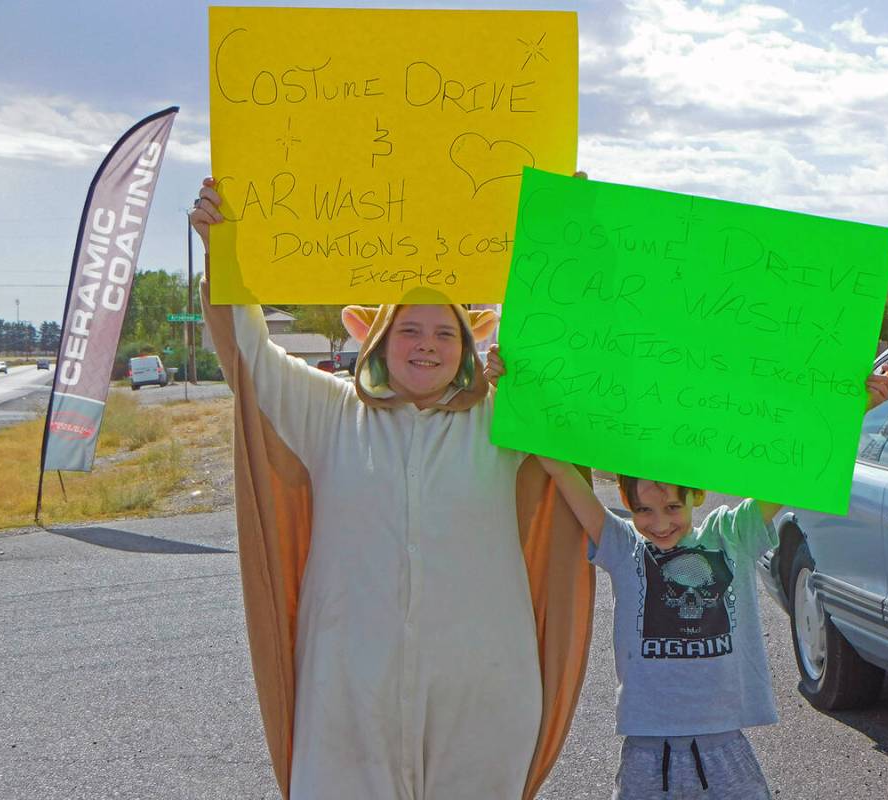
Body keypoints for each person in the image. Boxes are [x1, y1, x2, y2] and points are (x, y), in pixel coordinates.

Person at [189, 177, 595, 800]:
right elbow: (251, 353)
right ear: (376, 337)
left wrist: (565, 237)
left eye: (444, 333)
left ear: (468, 345)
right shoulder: (327, 413)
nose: (426, 346)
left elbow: (569, 355)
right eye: (410, 330)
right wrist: (225, 247)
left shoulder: (509, 422)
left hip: (483, 694)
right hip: (349, 695)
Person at [486, 344, 888, 799]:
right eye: (643, 509)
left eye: (671, 507)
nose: (658, 523)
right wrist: (515, 391)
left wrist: (855, 408)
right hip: (646, 749)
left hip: (723, 747)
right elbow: (562, 473)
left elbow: (794, 472)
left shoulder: (729, 536)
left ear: (695, 497)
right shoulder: (622, 546)